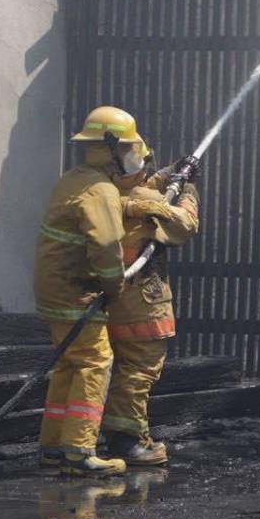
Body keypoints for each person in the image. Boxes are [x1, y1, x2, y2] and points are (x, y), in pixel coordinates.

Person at [34, 105, 151, 477]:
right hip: (75, 291)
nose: (134, 155)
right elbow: (106, 245)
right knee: (95, 362)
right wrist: (114, 285)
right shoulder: (100, 189)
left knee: (68, 365)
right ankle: (79, 452)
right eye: (130, 147)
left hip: (54, 288)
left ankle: (53, 448)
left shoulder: (75, 179)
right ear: (111, 147)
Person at [101, 172, 200, 466]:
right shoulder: (145, 201)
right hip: (142, 303)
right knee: (139, 370)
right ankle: (126, 442)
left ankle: (131, 436)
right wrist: (189, 190)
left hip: (114, 299)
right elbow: (185, 225)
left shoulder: (103, 193)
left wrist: (174, 172)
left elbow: (144, 186)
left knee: (119, 370)